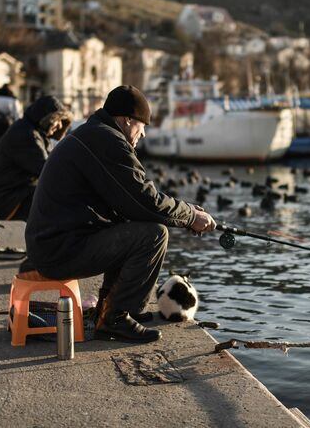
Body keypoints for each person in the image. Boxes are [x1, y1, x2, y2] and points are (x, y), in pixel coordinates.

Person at [25, 85, 216, 343]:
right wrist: (190, 216)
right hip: (57, 250)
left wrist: (184, 214)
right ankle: (114, 319)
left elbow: (133, 203)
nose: (144, 133)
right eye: (142, 125)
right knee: (154, 235)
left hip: (52, 242)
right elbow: (145, 200)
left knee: (134, 223)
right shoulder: (107, 140)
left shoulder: (95, 134)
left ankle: (110, 310)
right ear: (127, 120)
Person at [0, 95, 72, 222]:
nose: (60, 126)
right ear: (46, 118)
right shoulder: (27, 135)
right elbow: (47, 170)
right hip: (8, 201)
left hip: (16, 194)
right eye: (57, 120)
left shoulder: (36, 133)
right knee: (58, 200)